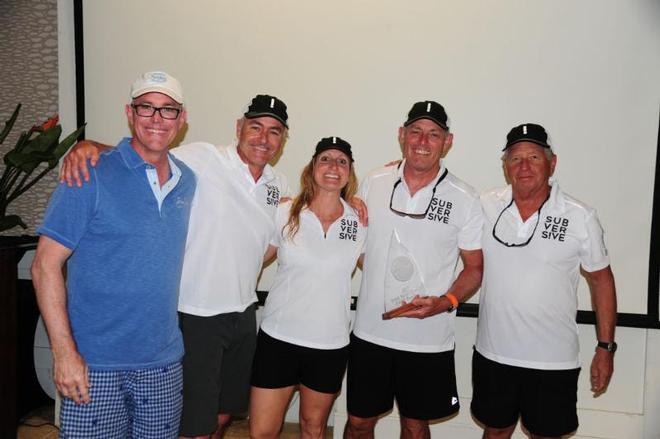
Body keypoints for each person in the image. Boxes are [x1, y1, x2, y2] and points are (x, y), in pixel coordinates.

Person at [60, 94, 290, 438]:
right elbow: (144, 153)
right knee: (196, 425)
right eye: (255, 127)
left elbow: (267, 245)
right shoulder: (203, 157)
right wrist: (90, 145)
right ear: (239, 127)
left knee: (224, 414)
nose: (263, 138)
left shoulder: (278, 184)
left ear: (283, 139)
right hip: (198, 314)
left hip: (243, 312)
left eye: (274, 131)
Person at [31, 71, 196, 438]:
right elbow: (44, 266)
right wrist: (64, 354)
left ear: (182, 119)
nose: (156, 118)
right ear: (130, 113)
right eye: (146, 108)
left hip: (163, 362)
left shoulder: (188, 179)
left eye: (168, 109)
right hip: (93, 363)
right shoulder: (87, 174)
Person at [345, 101, 484, 439]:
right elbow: (357, 247)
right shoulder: (373, 181)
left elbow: (475, 268)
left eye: (434, 134)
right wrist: (386, 274)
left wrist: (445, 301)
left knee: (414, 424)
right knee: (360, 423)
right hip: (370, 333)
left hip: (427, 340)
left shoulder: (465, 197)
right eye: (416, 131)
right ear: (402, 135)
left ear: (447, 141)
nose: (423, 141)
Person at [471, 123, 617, 439]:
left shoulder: (580, 216)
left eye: (534, 157)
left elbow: (601, 281)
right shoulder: (485, 204)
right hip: (493, 354)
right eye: (516, 158)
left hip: (553, 361)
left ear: (552, 163)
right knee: (495, 432)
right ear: (505, 165)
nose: (524, 167)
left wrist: (605, 347)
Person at [249, 136, 366, 439]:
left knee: (313, 430)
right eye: (325, 159)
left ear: (349, 172)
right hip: (278, 339)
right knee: (262, 431)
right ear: (313, 166)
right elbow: (255, 257)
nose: (333, 166)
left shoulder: (360, 221)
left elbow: (381, 269)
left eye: (342, 161)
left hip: (329, 345)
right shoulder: (285, 211)